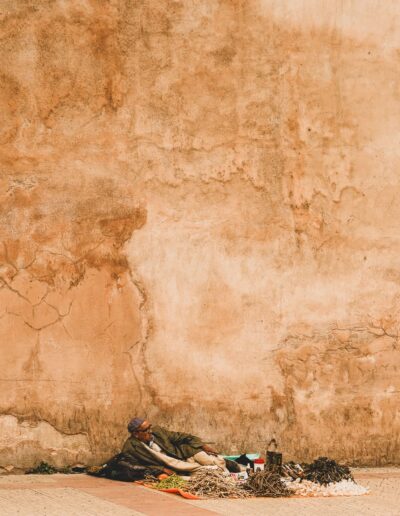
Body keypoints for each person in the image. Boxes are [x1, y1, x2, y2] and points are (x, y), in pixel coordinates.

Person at [121, 417, 238, 475]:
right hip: (174, 465)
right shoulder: (130, 447)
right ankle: (225, 474)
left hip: (184, 454)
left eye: (150, 427)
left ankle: (232, 469)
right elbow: (136, 467)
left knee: (212, 460)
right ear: (136, 434)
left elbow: (181, 436)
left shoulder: (157, 431)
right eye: (146, 430)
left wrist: (202, 445)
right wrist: (160, 470)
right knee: (207, 471)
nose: (150, 431)